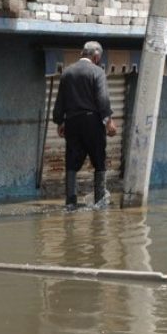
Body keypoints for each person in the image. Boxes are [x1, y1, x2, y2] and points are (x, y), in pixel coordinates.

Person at [51, 41, 118, 210]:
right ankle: (100, 201)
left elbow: (60, 101)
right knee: (99, 161)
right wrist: (108, 121)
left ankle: (71, 202)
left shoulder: (67, 73)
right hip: (92, 122)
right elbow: (102, 99)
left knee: (71, 162)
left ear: (82, 53)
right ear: (96, 57)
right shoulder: (98, 72)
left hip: (72, 123)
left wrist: (60, 121)